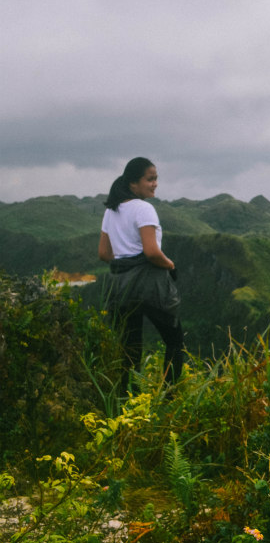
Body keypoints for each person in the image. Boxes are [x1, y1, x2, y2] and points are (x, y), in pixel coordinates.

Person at [98, 157, 184, 396]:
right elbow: (151, 252)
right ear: (134, 183)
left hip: (122, 287)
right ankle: (170, 396)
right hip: (150, 284)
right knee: (175, 340)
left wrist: (125, 258)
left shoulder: (111, 210)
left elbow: (104, 253)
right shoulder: (143, 208)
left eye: (156, 178)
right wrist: (170, 264)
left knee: (130, 347)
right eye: (150, 179)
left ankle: (127, 400)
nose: (155, 184)